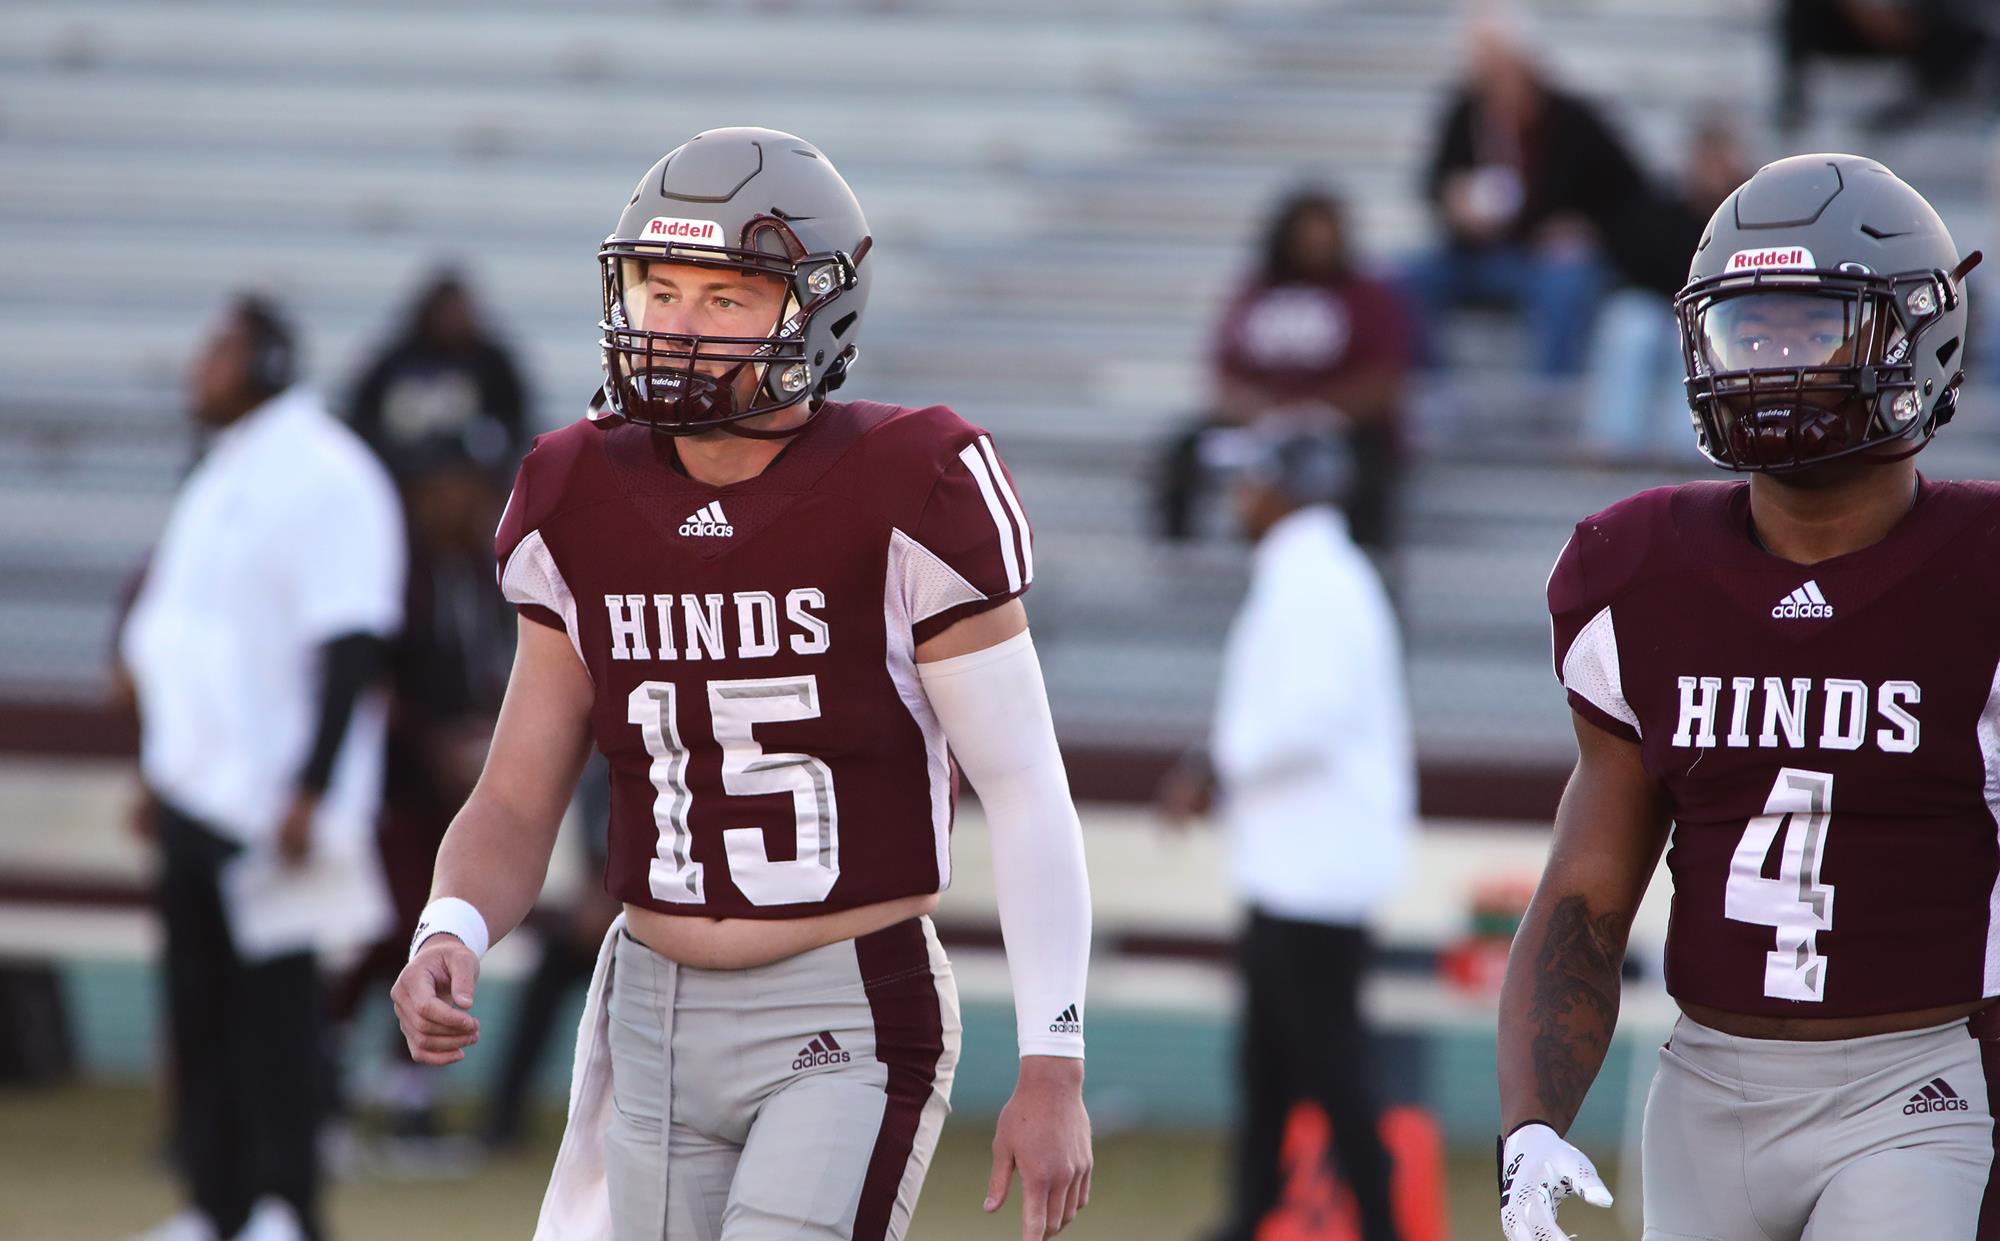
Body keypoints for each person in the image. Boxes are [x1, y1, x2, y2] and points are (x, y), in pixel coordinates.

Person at [387, 127, 1094, 1241]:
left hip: (844, 1003)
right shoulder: (573, 490)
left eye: (724, 299)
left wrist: (1053, 1055)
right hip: (650, 1009)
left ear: (818, 310)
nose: (676, 325)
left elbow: (1024, 786)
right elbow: (518, 793)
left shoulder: (914, 483)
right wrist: (452, 925)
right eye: (657, 288)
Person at [1496, 153, 1995, 1241]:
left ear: (1918, 338)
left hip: (1911, 1086)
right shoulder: (1634, 570)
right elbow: (1585, 891)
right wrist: (1530, 1119)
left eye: (1811, 331)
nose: (1770, 366)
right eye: (1747, 332)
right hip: (1701, 1088)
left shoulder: (1982, 572)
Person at [115, 295, 407, 1241]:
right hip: (196, 787)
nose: (200, 366)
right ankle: (216, 1202)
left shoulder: (326, 470)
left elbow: (353, 639)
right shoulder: (223, 468)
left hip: (272, 797)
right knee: (197, 1009)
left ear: (269, 359)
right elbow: (189, 631)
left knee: (276, 1017)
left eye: (220, 349)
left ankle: (287, 1204)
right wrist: (159, 768)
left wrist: (311, 787)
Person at [1159, 421, 1412, 1241]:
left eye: (1251, 480)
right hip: (1296, 866)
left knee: (1329, 1067)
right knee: (1273, 1064)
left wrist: (1212, 766)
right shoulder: (1313, 576)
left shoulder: (1317, 583)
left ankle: (1379, 1224)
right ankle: (1251, 1214)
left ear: (1286, 489)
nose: (1239, 496)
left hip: (1316, 870)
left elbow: (1310, 715)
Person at [324, 427, 516, 1162]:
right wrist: (432, 744)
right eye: (452, 485)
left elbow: (493, 667)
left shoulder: (475, 565)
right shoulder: (396, 567)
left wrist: (484, 735)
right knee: (404, 928)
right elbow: (371, 679)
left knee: (408, 930)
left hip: (452, 785)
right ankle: (357, 1093)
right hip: (391, 785)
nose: (465, 500)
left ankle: (391, 1098)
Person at [1156, 189, 1413, 552]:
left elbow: (1387, 377)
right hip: (1263, 425)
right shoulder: (1254, 293)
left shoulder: (1368, 296)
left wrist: (1321, 411)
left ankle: (1367, 562)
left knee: (1369, 467)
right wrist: (1264, 414)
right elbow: (1224, 375)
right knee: (1186, 450)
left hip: (1341, 427)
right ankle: (1180, 555)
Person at [1403, 12, 1645, 376]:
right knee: (1405, 279)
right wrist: (1455, 203)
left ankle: (1550, 400)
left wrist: (1584, 228)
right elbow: (1434, 184)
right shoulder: (1464, 114)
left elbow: (1629, 191)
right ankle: (1430, 391)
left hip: (1544, 260)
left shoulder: (1573, 119)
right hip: (1477, 254)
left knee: (1567, 282)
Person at [1580, 116, 1750, 462]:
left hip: (1722, 315)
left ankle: (1687, 450)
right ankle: (1612, 443)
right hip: (1663, 306)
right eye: (1706, 158)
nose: (1713, 169)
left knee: (1692, 336)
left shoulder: (1750, 219)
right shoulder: (1661, 210)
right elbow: (1638, 267)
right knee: (1630, 323)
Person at [348, 268, 529, 483]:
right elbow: (363, 422)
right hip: (406, 481)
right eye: (443, 312)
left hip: (472, 483)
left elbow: (514, 426)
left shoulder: (492, 366)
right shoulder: (395, 363)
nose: (449, 321)